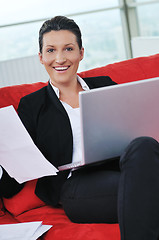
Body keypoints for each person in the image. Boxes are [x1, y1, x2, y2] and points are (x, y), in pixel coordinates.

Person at [1, 16, 159, 240]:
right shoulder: (32, 105)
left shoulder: (105, 86)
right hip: (76, 186)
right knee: (145, 184)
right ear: (41, 57)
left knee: (144, 144)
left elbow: (135, 133)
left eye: (68, 48)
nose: (60, 58)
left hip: (122, 168)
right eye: (51, 50)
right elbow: (16, 171)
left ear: (81, 53)